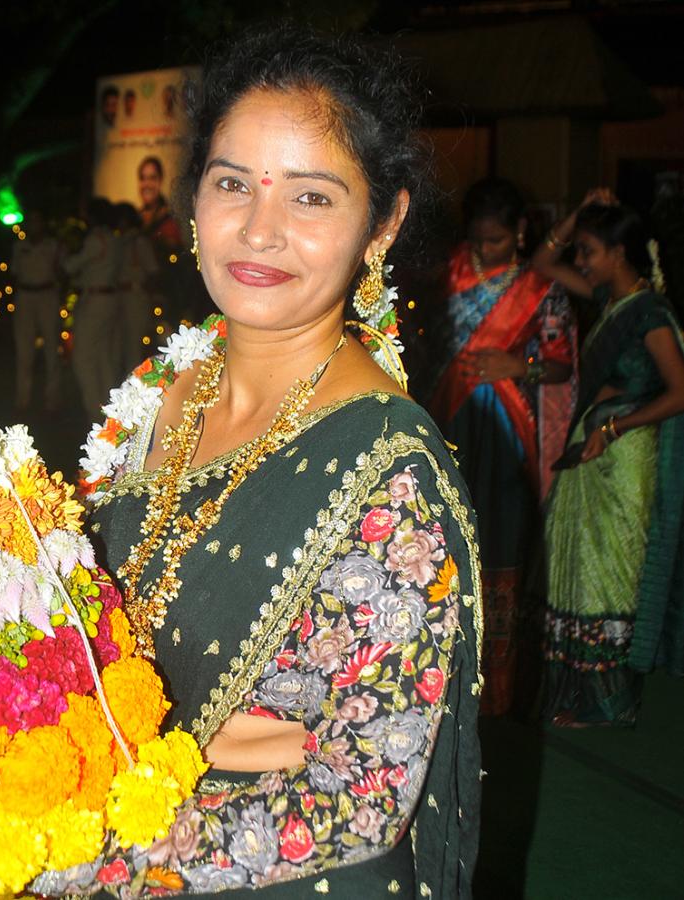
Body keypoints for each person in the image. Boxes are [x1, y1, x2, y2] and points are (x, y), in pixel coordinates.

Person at [39, 27, 481, 897]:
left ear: (381, 223)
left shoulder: (388, 471)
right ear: (195, 197)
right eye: (232, 183)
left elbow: (357, 798)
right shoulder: (158, 389)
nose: (259, 230)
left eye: (311, 199)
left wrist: (80, 850)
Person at [532, 194, 684, 726]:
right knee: (579, 568)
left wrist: (615, 427)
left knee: (611, 575)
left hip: (624, 458)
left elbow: (680, 392)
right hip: (593, 454)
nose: (582, 261)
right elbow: (542, 266)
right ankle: (576, 695)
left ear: (620, 252)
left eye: (591, 251)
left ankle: (611, 704)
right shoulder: (610, 300)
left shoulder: (650, 313)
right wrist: (577, 212)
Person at [429, 178, 575, 716]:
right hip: (451, 422)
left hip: (508, 432)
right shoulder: (449, 273)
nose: (481, 251)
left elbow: (561, 360)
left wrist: (520, 366)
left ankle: (498, 694)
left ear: (518, 233)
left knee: (502, 548)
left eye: (493, 241)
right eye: (475, 239)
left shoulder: (541, 288)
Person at [64, 197, 123, 421]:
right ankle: (110, 411)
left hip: (95, 299)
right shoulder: (115, 239)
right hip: (110, 298)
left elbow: (72, 266)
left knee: (83, 357)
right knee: (104, 356)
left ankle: (93, 411)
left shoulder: (96, 239)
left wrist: (65, 258)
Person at [10, 210, 63, 414]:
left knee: (52, 350)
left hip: (47, 295)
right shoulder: (19, 246)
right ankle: (22, 401)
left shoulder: (53, 246)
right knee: (24, 351)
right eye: (31, 222)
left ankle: (53, 402)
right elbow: (14, 273)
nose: (34, 226)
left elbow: (61, 271)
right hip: (25, 296)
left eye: (37, 221)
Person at [114, 202, 159, 373]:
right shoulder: (119, 241)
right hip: (120, 296)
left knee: (133, 345)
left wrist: (150, 297)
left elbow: (153, 271)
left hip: (135, 295)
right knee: (121, 345)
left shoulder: (138, 241)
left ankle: (134, 389)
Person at [137, 155, 183, 251]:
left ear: (160, 181)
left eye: (152, 178)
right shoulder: (135, 218)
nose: (146, 184)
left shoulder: (170, 220)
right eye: (143, 178)